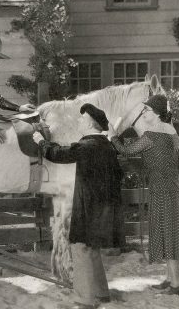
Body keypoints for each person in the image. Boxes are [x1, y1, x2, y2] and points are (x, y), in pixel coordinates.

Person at [34, 103, 125, 308]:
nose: (79, 121)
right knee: (92, 248)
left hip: (89, 207)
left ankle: (84, 299)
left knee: (80, 247)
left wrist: (40, 141)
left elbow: (58, 154)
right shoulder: (107, 146)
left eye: (82, 119)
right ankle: (102, 294)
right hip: (105, 207)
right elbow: (119, 175)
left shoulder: (87, 146)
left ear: (91, 124)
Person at [108, 94, 179, 296]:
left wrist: (113, 137)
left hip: (163, 189)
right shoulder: (171, 130)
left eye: (147, 111)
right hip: (171, 187)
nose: (143, 114)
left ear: (157, 113)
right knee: (169, 232)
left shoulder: (152, 134)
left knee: (168, 234)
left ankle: (177, 284)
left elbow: (126, 150)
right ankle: (170, 278)